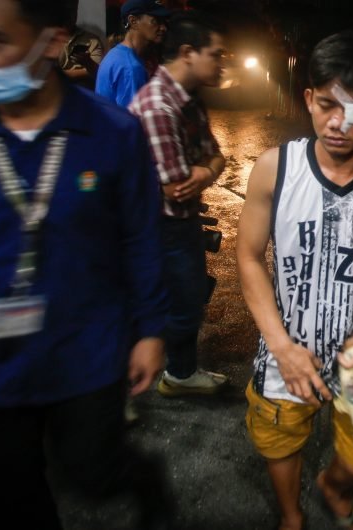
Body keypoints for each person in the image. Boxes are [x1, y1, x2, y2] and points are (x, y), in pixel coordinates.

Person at [0, 1, 170, 528]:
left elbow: (140, 236)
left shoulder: (113, 134)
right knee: (11, 500)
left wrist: (151, 329)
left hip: (86, 351)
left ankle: (140, 479)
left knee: (91, 471)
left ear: (53, 41)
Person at [237, 31, 353, 530]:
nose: (337, 123)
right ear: (309, 98)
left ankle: (333, 488)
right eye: (326, 104)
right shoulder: (276, 168)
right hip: (285, 352)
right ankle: (292, 516)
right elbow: (248, 257)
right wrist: (282, 346)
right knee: (280, 442)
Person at [129, 11, 229, 395]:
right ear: (188, 52)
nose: (221, 63)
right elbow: (175, 186)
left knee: (189, 296)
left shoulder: (188, 99)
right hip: (157, 223)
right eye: (215, 54)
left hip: (179, 220)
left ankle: (180, 373)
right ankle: (134, 383)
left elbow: (216, 157)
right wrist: (205, 170)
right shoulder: (158, 106)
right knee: (170, 302)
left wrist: (205, 173)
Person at [95, 0, 168, 107]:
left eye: (164, 22)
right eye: (155, 21)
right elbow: (131, 118)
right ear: (133, 21)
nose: (163, 28)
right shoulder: (131, 67)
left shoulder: (117, 53)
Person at [58, 3, 104, 90]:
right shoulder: (48, 38)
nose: (71, 16)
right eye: (67, 11)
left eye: (74, 11)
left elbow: (99, 71)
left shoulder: (92, 40)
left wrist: (89, 63)